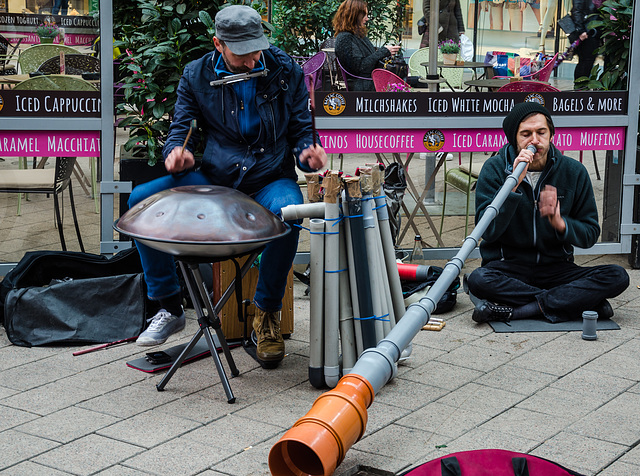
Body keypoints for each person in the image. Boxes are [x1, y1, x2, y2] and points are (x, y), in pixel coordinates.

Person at [128, 5, 327, 369]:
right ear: (218, 44)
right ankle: (168, 306)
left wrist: (307, 155)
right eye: (242, 51)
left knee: (290, 211)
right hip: (219, 176)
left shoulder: (285, 70)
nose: (253, 59)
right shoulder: (196, 74)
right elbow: (179, 132)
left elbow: (301, 132)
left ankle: (265, 314)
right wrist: (177, 153)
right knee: (141, 200)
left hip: (269, 176)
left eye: (257, 48)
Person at [466, 102, 629, 324]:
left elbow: (590, 234)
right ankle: (577, 301)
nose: (534, 140)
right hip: (509, 267)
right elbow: (489, 232)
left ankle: (521, 310)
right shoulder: (494, 169)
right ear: (514, 138)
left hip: (557, 269)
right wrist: (512, 188)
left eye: (541, 132)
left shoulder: (573, 171)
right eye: (526, 134)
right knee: (478, 279)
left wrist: (561, 223)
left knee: (617, 275)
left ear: (551, 134)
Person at [333, 0, 401, 91]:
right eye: (364, 15)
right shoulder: (345, 39)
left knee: (408, 80)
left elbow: (368, 60)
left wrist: (386, 52)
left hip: (369, 82)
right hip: (363, 86)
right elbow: (360, 68)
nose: (367, 18)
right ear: (354, 16)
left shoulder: (356, 35)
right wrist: (384, 51)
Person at [570, 0, 601, 85]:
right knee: (585, 61)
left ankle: (582, 87)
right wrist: (581, 30)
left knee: (587, 61)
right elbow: (577, 10)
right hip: (587, 32)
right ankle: (580, 87)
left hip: (592, 31)